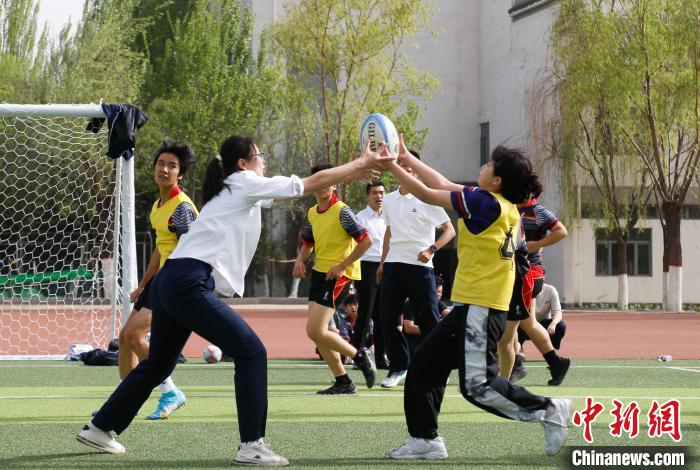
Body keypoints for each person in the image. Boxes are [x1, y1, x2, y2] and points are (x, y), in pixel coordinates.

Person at [77, 136, 391, 466]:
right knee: (252, 352)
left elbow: (302, 187)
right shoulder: (243, 182)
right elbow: (309, 184)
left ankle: (100, 427)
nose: (264, 160)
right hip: (187, 282)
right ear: (243, 164)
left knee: (158, 363)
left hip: (170, 281)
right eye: (260, 155)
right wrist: (359, 163)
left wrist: (350, 173)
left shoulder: (236, 189)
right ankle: (252, 445)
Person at [383, 136, 573, 460]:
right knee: (424, 367)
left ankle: (548, 410)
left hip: (481, 309)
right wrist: (406, 159)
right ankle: (425, 440)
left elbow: (428, 192)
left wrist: (390, 165)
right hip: (473, 307)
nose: (482, 166)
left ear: (497, 180)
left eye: (489, 165)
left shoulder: (484, 202)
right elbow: (442, 183)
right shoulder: (500, 204)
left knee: (478, 387)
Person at [112, 140, 197, 420]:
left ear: (180, 174)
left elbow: (192, 250)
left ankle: (170, 392)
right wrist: (143, 284)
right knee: (125, 338)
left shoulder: (182, 208)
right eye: (161, 164)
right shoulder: (159, 205)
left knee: (134, 335)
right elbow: (161, 249)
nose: (165, 169)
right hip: (160, 282)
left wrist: (178, 286)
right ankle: (124, 402)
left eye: (172, 166)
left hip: (175, 284)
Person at [293, 164, 377, 395]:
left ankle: (359, 355)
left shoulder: (342, 211)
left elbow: (366, 241)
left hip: (339, 275)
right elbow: (308, 242)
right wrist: (300, 259)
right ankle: (343, 381)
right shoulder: (312, 212)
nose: (322, 187)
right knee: (317, 333)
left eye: (327, 182)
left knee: (315, 330)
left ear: (335, 184)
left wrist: (342, 265)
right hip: (319, 273)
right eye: (318, 182)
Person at [377, 150, 455, 389]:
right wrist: (382, 263)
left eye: (410, 167)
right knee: (387, 318)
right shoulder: (389, 200)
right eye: (402, 166)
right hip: (393, 265)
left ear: (417, 170)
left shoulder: (427, 197)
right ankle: (399, 366)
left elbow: (450, 230)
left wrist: (431, 249)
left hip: (420, 267)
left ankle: (439, 366)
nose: (406, 170)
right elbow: (389, 232)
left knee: (429, 319)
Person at [498, 195, 570, 386]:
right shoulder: (508, 206)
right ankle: (554, 363)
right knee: (525, 322)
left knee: (516, 322)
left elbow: (561, 231)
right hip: (511, 271)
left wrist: (537, 244)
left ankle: (516, 364)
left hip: (529, 273)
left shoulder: (538, 211)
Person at [353, 180, 389, 369]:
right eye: (374, 193)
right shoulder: (360, 217)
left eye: (381, 192)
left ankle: (381, 357)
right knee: (366, 312)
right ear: (367, 196)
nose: (379, 196)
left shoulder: (390, 216)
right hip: (367, 266)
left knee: (384, 313)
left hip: (388, 265)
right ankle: (357, 355)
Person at [518, 283, 566, 352]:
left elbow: (558, 312)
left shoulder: (550, 290)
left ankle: (551, 350)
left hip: (543, 325)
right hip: (525, 325)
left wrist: (553, 324)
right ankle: (518, 349)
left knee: (560, 326)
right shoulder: (522, 290)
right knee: (518, 325)